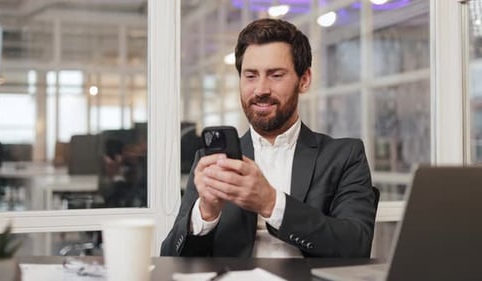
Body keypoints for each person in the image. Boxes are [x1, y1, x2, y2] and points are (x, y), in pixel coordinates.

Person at [161, 18, 376, 258]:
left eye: (275, 75)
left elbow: (356, 245)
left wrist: (271, 203)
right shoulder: (212, 161)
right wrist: (205, 213)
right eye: (250, 76)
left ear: (304, 80)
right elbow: (171, 257)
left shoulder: (344, 156)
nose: (261, 89)